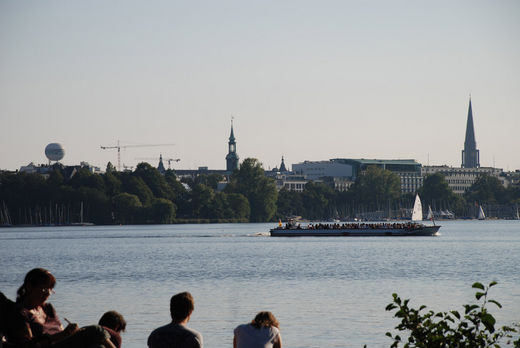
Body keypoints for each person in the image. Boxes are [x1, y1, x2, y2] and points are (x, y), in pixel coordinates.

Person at [7, 268, 115, 348]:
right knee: (96, 330)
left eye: (50, 290)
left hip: (64, 343)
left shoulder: (48, 308)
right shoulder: (21, 313)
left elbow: (60, 329)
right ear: (30, 287)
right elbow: (28, 345)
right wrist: (62, 335)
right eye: (44, 290)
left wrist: (72, 332)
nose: (47, 294)